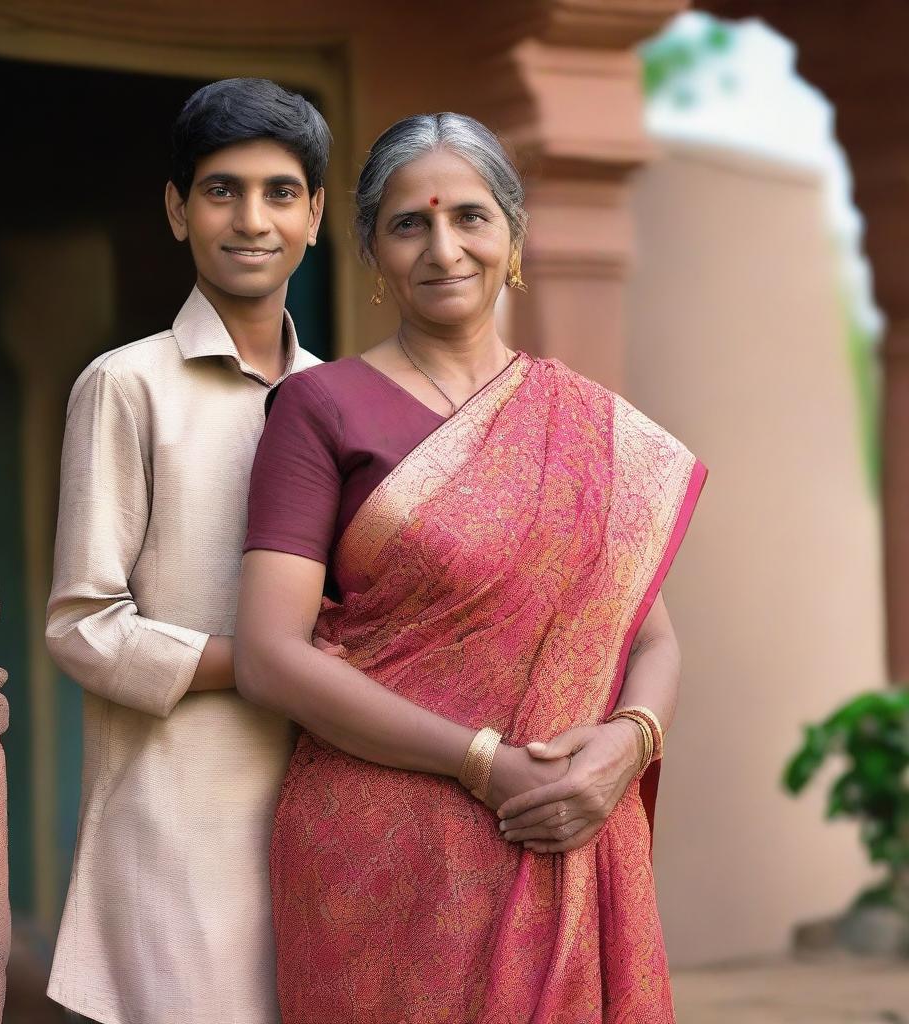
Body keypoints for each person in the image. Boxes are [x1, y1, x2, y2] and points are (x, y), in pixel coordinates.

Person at [235, 112, 707, 1023]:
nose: (443, 248)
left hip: (567, 826)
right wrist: (484, 763)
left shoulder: (586, 426)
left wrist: (626, 744)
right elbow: (268, 654)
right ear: (372, 248)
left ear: (513, 237)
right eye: (410, 223)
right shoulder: (320, 408)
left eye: (471, 219)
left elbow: (651, 638)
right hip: (384, 847)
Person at [44, 78, 329, 1024]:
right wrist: (265, 668)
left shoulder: (346, 403)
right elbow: (83, 627)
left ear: (317, 215)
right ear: (177, 209)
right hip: (175, 828)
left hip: (329, 813)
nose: (252, 219)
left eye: (281, 192)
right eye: (221, 189)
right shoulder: (126, 386)